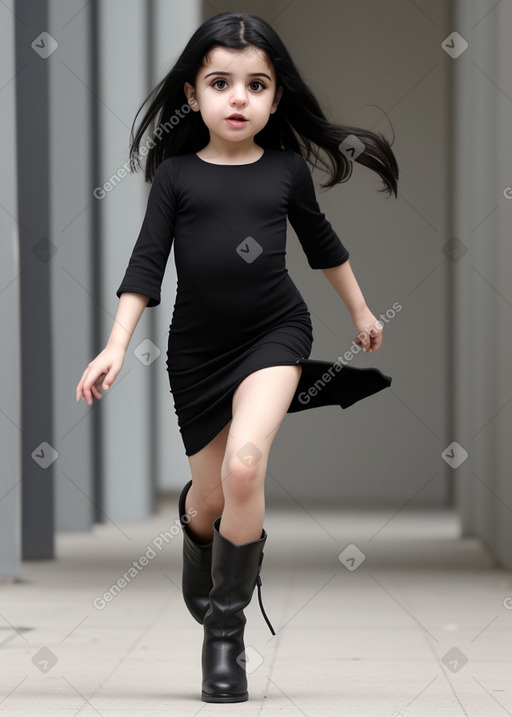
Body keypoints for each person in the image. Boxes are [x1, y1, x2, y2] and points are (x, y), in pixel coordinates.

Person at [76, 11, 398, 704]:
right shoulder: (177, 176)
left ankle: (225, 634)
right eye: (221, 82)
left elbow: (322, 245)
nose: (238, 97)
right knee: (212, 496)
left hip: (275, 333)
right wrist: (113, 345)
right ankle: (201, 536)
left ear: (276, 97)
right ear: (193, 94)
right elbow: (145, 264)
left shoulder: (284, 171)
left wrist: (363, 311)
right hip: (196, 351)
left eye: (257, 84)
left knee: (247, 464)